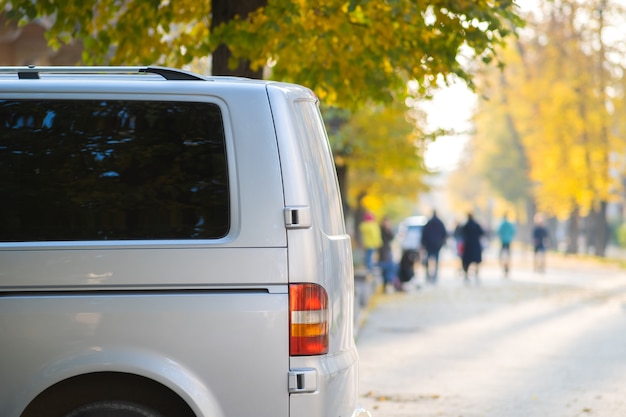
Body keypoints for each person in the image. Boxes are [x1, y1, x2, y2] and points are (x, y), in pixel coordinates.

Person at [420, 210, 448, 284]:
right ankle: (435, 276)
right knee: (436, 261)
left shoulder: (428, 223)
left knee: (428, 261)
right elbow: (444, 234)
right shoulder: (440, 223)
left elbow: (424, 233)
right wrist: (442, 243)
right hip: (437, 245)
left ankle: (428, 275)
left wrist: (423, 244)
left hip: (429, 245)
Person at [461, 213, 485, 281]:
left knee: (466, 261)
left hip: (468, 245)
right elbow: (482, 233)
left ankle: (466, 274)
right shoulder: (476, 225)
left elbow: (461, 233)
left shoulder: (465, 225)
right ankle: (476, 273)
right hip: (475, 244)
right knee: (476, 260)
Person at [378, 217, 398, 292]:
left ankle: (388, 284)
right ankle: (385, 284)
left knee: (389, 266)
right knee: (384, 267)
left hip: (387, 251)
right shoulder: (380, 230)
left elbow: (391, 237)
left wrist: (388, 229)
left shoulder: (388, 230)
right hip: (381, 251)